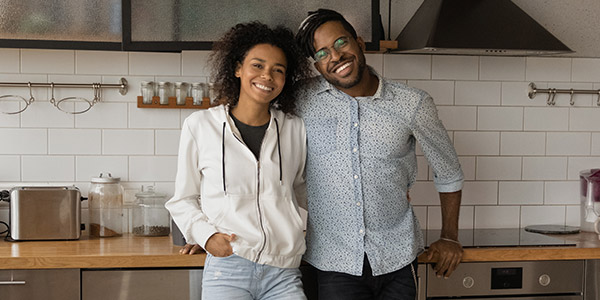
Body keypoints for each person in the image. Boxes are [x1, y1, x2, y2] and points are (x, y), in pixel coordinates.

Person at [294, 9, 464, 299]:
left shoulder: (413, 103)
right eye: (322, 53)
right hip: (333, 262)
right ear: (317, 66)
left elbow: (448, 172)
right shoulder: (300, 99)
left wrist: (449, 236)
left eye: (340, 43)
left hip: (398, 259)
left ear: (359, 43)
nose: (335, 57)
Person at [165, 21, 312, 300]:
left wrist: (298, 231)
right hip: (229, 268)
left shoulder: (295, 129)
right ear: (237, 69)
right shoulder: (201, 126)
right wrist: (206, 236)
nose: (267, 76)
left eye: (278, 70)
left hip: (284, 272)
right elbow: (183, 198)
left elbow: (301, 191)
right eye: (257, 65)